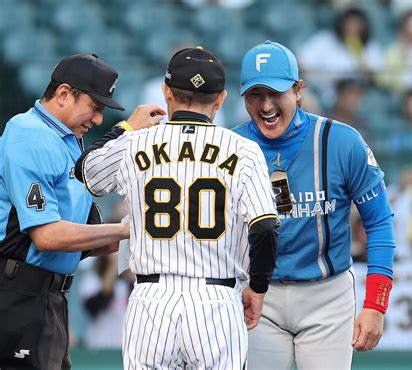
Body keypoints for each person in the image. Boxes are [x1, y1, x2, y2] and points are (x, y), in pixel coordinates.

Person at [75, 46, 279, 369]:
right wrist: (258, 287)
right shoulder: (245, 151)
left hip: (151, 300)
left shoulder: (135, 143)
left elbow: (86, 171)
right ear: (221, 99)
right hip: (217, 300)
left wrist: (126, 128)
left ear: (166, 92)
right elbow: (266, 227)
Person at [233, 40, 396, 370]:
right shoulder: (229, 146)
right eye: (254, 95)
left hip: (328, 296)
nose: (265, 105)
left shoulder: (343, 141)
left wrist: (376, 304)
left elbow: (379, 222)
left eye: (275, 93)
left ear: (298, 90)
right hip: (256, 295)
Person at [0, 53, 163, 370]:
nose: (99, 119)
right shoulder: (29, 134)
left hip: (48, 297)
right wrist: (128, 228)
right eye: (95, 106)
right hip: (18, 294)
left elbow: (87, 240)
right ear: (63, 94)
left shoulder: (67, 139)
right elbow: (47, 236)